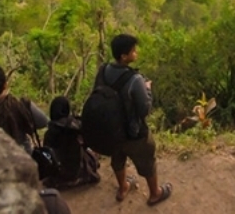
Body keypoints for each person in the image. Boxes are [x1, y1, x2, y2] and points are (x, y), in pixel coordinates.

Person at [102, 33, 172, 206]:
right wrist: (147, 89)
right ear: (124, 56)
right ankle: (155, 193)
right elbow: (144, 110)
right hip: (132, 132)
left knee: (117, 159)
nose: (136, 52)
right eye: (133, 50)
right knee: (147, 159)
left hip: (111, 130)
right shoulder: (135, 79)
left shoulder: (103, 71)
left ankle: (123, 187)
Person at [42, 96, 100, 188]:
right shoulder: (76, 126)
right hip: (77, 169)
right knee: (91, 158)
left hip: (59, 173)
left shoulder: (49, 133)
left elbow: (47, 155)